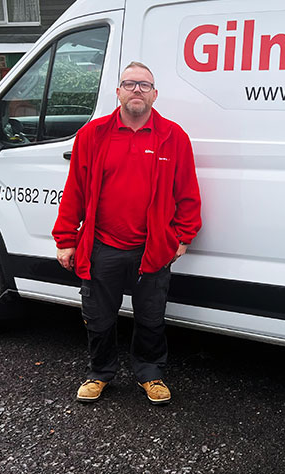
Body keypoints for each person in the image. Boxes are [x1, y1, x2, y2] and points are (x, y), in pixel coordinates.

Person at [52, 61, 201, 405]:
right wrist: (65, 240)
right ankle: (99, 373)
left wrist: (182, 237)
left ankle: (150, 373)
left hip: (151, 249)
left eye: (144, 85)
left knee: (151, 318)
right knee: (99, 319)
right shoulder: (93, 134)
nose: (137, 90)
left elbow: (188, 194)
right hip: (101, 245)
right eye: (130, 84)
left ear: (155, 94)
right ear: (117, 91)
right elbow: (73, 190)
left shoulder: (173, 137)